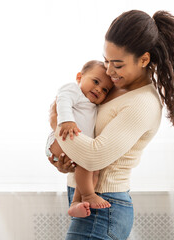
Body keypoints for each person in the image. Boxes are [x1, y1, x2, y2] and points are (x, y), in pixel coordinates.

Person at [48, 10, 174, 239]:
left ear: (144, 59)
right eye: (106, 60)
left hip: (105, 206)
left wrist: (57, 122)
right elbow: (87, 132)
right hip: (86, 200)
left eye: (117, 64)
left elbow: (95, 156)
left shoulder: (143, 103)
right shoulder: (114, 86)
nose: (109, 70)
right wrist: (67, 163)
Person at [45, 60, 114, 218]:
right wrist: (66, 121)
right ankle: (89, 195)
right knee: (87, 162)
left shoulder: (92, 104)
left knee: (94, 170)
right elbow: (63, 101)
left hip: (73, 147)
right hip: (58, 140)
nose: (98, 89)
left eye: (105, 90)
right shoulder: (72, 90)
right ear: (79, 77)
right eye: (95, 81)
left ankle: (77, 202)